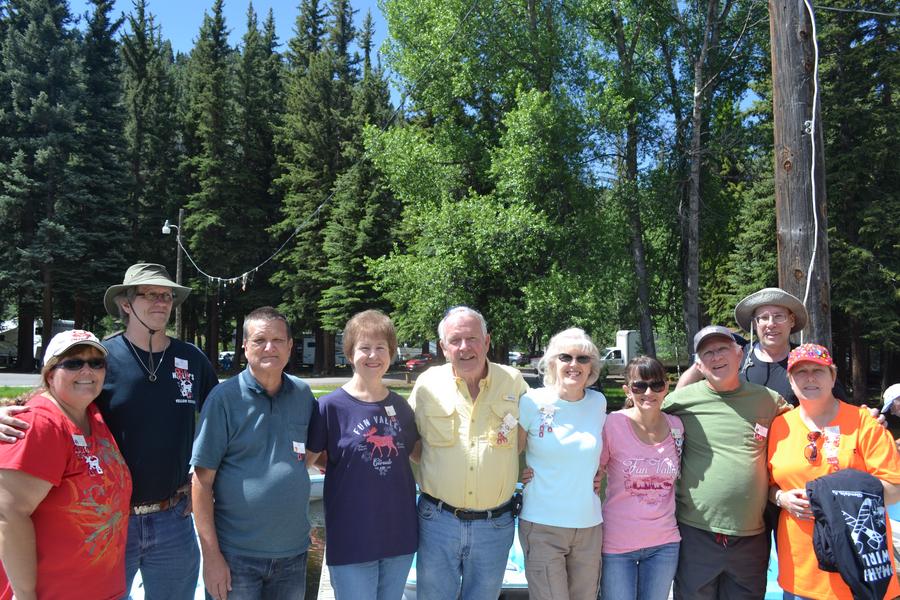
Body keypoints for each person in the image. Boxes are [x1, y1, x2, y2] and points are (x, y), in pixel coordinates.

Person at [0, 263, 218, 599]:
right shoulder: (100, 358)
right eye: (150, 294)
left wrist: (201, 482)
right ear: (126, 304)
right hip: (111, 523)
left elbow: (219, 422)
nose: (161, 301)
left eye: (167, 295)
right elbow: (54, 399)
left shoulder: (191, 359)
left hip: (173, 516)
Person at [191, 306, 315, 600]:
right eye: (259, 340)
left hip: (293, 556)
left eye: (278, 340)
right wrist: (211, 558)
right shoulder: (224, 399)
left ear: (290, 346)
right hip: (236, 557)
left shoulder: (303, 395)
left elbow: (310, 455)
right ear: (245, 347)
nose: (269, 348)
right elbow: (201, 482)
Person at [0, 330, 131, 600]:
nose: (88, 370)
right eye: (73, 363)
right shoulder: (42, 423)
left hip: (101, 589)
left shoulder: (92, 414)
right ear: (50, 374)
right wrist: (25, 595)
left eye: (96, 363)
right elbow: (8, 514)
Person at [662, 325, 790, 599]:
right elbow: (640, 419)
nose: (716, 357)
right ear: (698, 363)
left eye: (722, 349)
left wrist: (861, 418)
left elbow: (810, 424)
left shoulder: (768, 401)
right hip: (697, 532)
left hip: (751, 535)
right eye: (708, 352)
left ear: (740, 354)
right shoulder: (679, 401)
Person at [409, 306, 528, 599]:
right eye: (455, 340)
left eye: (472, 338)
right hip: (437, 521)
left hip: (495, 524)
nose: (465, 347)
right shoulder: (427, 384)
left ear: (486, 342)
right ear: (444, 347)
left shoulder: (513, 381)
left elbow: (528, 438)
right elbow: (409, 441)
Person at [768, 344, 900, 599]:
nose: (809, 378)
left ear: (833, 376)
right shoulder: (779, 426)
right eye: (800, 372)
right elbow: (768, 484)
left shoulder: (865, 424)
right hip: (801, 569)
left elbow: (894, 490)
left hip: (858, 565)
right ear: (790, 381)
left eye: (817, 370)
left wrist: (829, 498)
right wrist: (780, 498)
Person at [307, 310, 419, 599]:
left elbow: (419, 455)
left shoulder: (401, 407)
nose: (373, 355)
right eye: (364, 348)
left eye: (381, 347)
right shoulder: (329, 407)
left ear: (391, 353)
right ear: (349, 353)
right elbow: (312, 458)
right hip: (352, 538)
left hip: (399, 536)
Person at [516, 328, 606, 600]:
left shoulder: (598, 402)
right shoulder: (532, 401)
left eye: (583, 358)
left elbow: (596, 451)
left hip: (589, 525)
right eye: (566, 357)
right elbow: (508, 451)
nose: (574, 365)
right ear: (552, 362)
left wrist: (600, 472)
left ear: (592, 366)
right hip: (542, 524)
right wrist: (516, 476)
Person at [677, 288, 850, 406]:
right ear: (754, 324)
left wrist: (865, 415)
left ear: (791, 321)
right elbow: (681, 393)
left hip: (791, 453)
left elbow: (841, 406)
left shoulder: (807, 360)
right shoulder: (738, 357)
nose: (771, 324)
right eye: (764, 318)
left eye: (779, 316)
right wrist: (699, 363)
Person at [599, 356, 682, 600]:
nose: (648, 392)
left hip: (664, 543)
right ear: (627, 390)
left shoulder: (677, 426)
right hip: (617, 545)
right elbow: (589, 474)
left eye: (656, 385)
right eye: (639, 386)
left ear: (666, 388)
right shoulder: (612, 424)